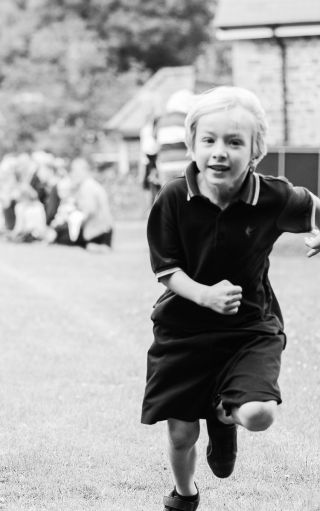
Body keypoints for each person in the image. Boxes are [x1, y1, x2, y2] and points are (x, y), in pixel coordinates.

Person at [142, 86, 320, 510]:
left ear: (256, 151)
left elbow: (314, 208)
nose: (219, 152)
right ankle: (184, 495)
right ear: (192, 144)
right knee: (182, 434)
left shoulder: (273, 197)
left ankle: (226, 415)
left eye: (234, 142)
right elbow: (165, 270)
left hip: (249, 327)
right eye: (209, 140)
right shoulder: (172, 196)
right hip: (183, 331)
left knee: (259, 415)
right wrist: (204, 295)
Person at [51, 157, 113, 250]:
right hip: (104, 230)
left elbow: (89, 211)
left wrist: (74, 219)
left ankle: (96, 246)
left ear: (83, 170)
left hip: (97, 231)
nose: (72, 174)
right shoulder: (89, 184)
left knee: (61, 235)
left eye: (75, 170)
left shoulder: (87, 187)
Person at [154, 89, 195, 188]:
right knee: (187, 195)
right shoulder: (187, 120)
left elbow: (156, 142)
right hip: (185, 164)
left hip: (165, 165)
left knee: (169, 195)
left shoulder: (161, 121)